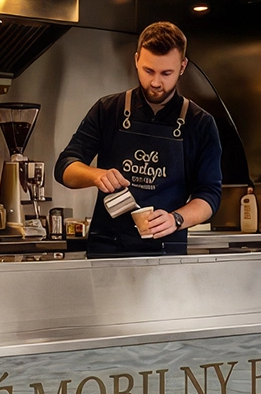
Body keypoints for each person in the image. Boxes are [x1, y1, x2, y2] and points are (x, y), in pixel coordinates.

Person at [56, 21, 223, 257]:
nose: (156, 82)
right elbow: (64, 167)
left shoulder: (200, 123)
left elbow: (210, 195)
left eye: (166, 73)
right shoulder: (108, 110)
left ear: (182, 66)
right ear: (136, 60)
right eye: (148, 71)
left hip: (167, 252)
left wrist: (176, 219)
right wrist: (97, 175)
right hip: (108, 248)